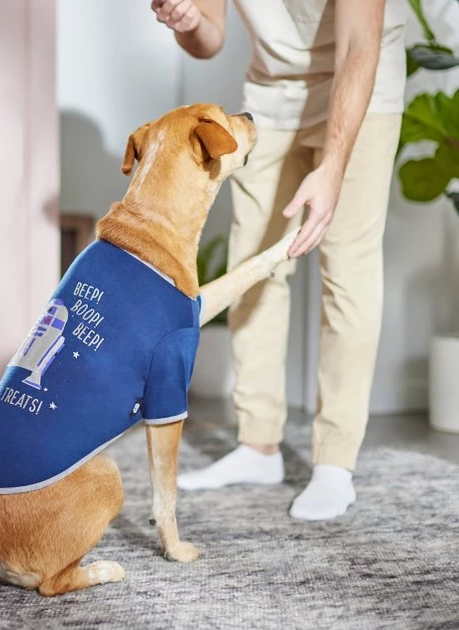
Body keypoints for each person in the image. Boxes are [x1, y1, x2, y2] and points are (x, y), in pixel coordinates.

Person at [151, 0, 408, 520]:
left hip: (361, 85)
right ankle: (258, 445)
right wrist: (189, 21)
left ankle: (335, 465)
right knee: (251, 266)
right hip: (272, 96)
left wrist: (334, 166)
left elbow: (359, 44)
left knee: (347, 272)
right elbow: (209, 37)